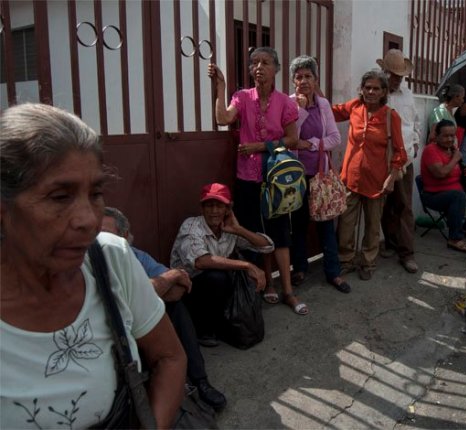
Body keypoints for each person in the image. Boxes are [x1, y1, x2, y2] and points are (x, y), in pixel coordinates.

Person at [0, 103, 186, 428]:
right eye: (59, 197)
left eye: (96, 192)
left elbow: (170, 358)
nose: (89, 220)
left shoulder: (110, 258)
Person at [208, 47, 306, 314]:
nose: (258, 67)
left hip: (276, 178)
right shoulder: (242, 97)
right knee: (254, 232)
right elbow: (222, 118)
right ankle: (267, 285)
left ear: (275, 69)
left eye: (265, 63)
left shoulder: (286, 102)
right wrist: (220, 86)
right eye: (254, 63)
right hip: (247, 177)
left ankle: (287, 291)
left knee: (280, 234)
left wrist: (260, 146)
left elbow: (292, 139)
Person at [102, 207, 227, 411]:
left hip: (141, 325)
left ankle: (200, 381)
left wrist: (160, 285)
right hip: (111, 332)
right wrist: (170, 277)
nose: (100, 242)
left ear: (124, 236)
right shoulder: (88, 260)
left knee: (174, 307)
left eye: (107, 235)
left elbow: (177, 291)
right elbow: (122, 297)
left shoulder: (136, 256)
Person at [170, 185, 284, 335]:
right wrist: (247, 265)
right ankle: (202, 329)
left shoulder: (228, 228)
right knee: (218, 277)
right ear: (202, 208)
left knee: (229, 276)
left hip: (215, 290)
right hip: (188, 291)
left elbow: (267, 246)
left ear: (228, 209)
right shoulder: (192, 226)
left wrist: (239, 230)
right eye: (209, 206)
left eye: (219, 206)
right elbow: (201, 261)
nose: (214, 211)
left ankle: (221, 321)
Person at [332, 70, 407, 281]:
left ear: (384, 91)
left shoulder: (391, 116)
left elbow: (400, 152)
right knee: (346, 224)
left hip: (377, 182)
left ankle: (367, 262)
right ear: (362, 90)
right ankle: (345, 260)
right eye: (367, 88)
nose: (371, 92)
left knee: (373, 227)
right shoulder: (355, 107)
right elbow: (330, 112)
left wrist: (391, 178)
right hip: (350, 178)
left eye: (376, 88)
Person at [287, 55, 350, 293]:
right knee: (299, 224)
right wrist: (301, 111)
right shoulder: (289, 104)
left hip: (320, 175)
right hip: (296, 176)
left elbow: (335, 138)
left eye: (308, 76)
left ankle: (333, 272)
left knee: (326, 224)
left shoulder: (323, 105)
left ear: (316, 80)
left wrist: (311, 144)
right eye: (299, 77)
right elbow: (291, 139)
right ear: (293, 81)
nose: (303, 81)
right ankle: (300, 268)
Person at [377, 49, 421, 273]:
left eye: (399, 76)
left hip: (404, 160)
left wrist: (414, 144)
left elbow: (414, 122)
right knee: (385, 206)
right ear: (384, 72)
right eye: (392, 75)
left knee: (404, 206)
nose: (396, 79)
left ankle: (407, 253)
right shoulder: (377, 93)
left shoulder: (408, 94)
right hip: (381, 159)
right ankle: (391, 243)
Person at [419, 119, 466, 253]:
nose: (450, 139)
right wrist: (455, 159)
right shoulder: (430, 150)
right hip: (434, 195)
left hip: (455, 193)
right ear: (437, 136)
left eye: (452, 135)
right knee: (458, 196)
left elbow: (456, 173)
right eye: (445, 136)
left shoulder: (452, 150)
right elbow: (441, 173)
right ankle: (454, 239)